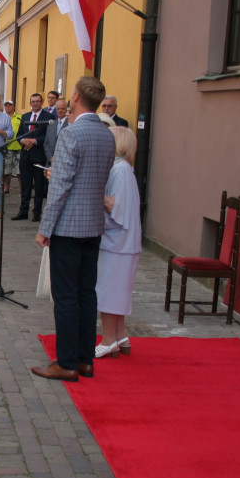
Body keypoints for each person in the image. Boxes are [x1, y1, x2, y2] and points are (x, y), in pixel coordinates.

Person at [31, 76, 116, 382]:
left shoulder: (72, 134)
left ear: (77, 96)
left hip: (68, 225)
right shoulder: (107, 135)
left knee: (65, 295)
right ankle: (84, 359)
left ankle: (66, 362)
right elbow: (95, 178)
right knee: (85, 293)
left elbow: (63, 185)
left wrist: (45, 227)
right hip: (93, 223)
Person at [95, 127, 141, 358]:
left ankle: (109, 339)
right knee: (117, 290)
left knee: (108, 291)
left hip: (118, 243)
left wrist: (92, 188)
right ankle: (121, 335)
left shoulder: (121, 169)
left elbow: (115, 206)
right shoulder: (121, 168)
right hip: (120, 241)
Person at [13, 93, 55, 221]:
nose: (35, 103)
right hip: (26, 155)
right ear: (30, 103)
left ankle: (37, 212)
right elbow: (19, 134)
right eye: (33, 101)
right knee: (25, 186)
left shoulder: (48, 117)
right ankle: (23, 211)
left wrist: (34, 140)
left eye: (37, 101)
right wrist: (23, 140)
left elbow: (49, 136)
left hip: (39, 155)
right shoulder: (25, 116)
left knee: (39, 186)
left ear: (42, 102)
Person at [43, 98, 69, 165]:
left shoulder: (70, 124)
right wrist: (50, 158)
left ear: (66, 109)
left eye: (62, 109)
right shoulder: (51, 124)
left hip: (64, 162)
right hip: (50, 163)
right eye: (58, 109)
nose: (60, 111)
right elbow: (46, 144)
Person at [2, 100, 21, 194]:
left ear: (13, 107)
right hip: (7, 147)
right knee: (6, 171)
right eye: (6, 105)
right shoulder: (2, 118)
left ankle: (22, 189)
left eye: (10, 105)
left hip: (19, 147)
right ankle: (6, 188)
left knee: (19, 171)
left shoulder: (20, 117)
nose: (8, 107)